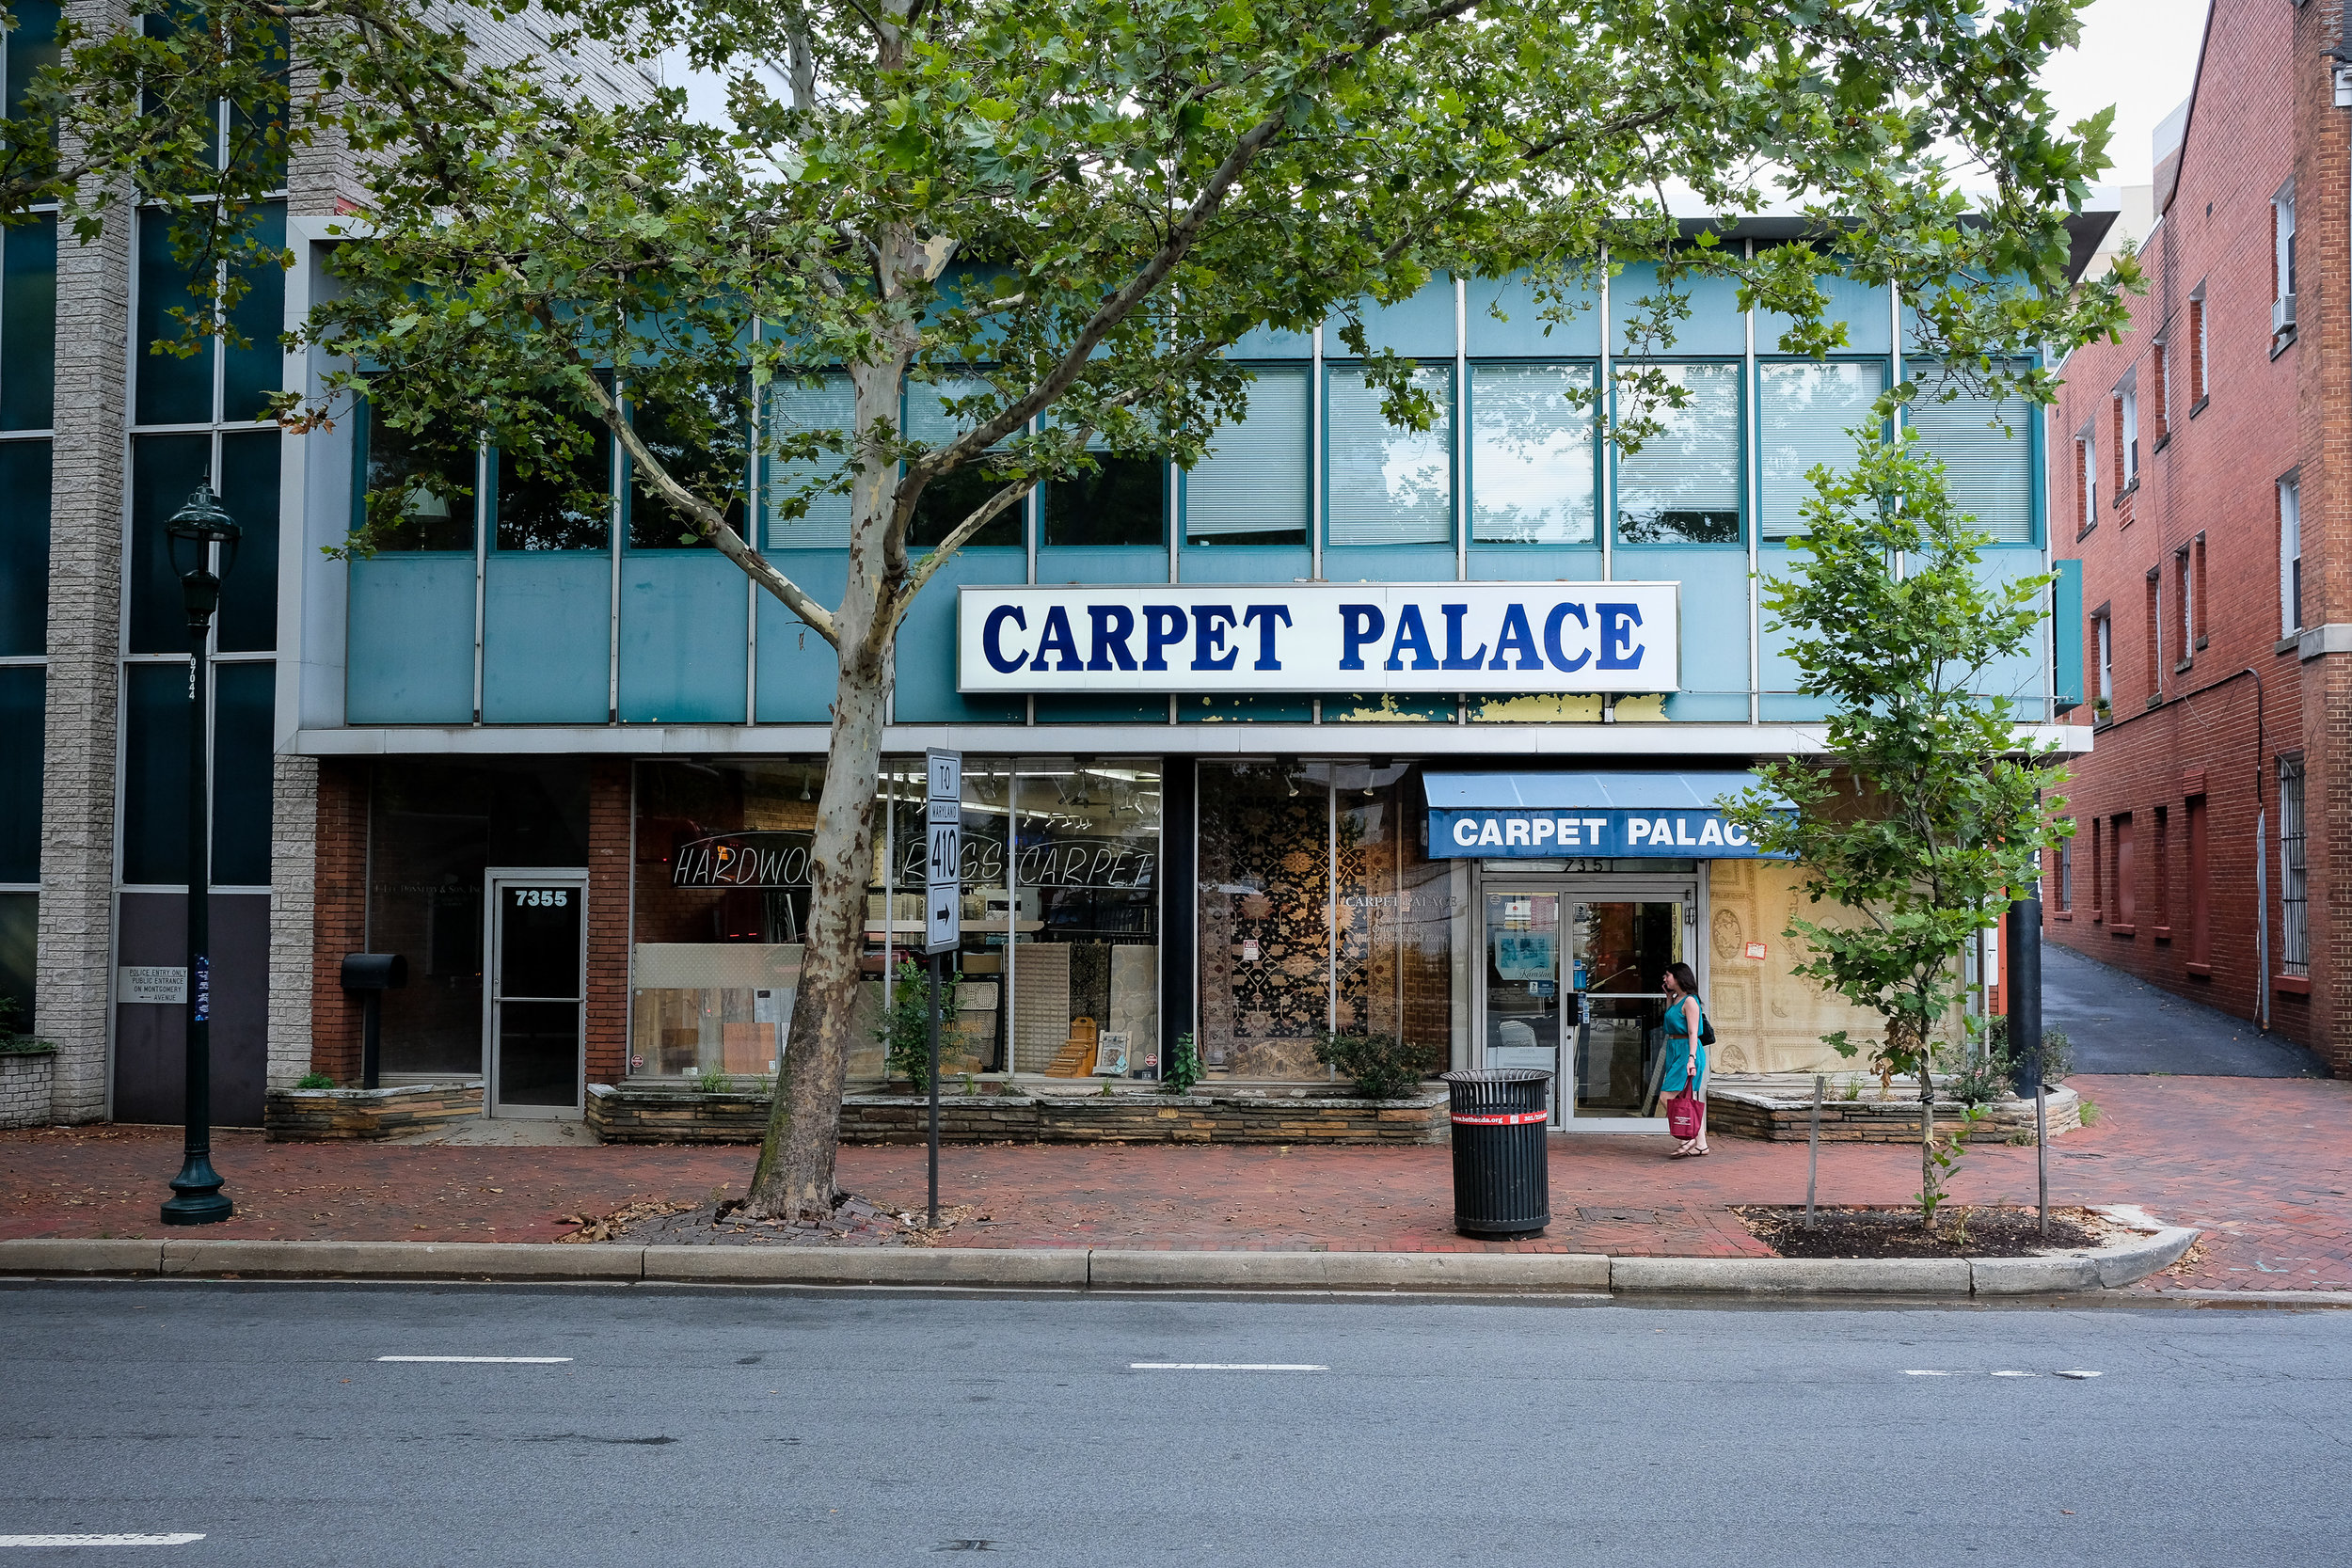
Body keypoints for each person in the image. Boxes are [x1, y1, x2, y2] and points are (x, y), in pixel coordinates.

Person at [1659, 960, 1708, 1157]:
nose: (1665, 978)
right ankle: (1701, 1145)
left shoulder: (1690, 1001)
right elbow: (1671, 1022)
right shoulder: (1678, 998)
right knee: (1688, 1098)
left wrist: (1691, 1058)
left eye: (1668, 975)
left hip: (1687, 1051)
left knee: (1667, 1096)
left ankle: (1687, 1137)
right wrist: (1669, 998)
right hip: (1675, 1049)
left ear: (1678, 977)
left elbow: (1692, 1032)